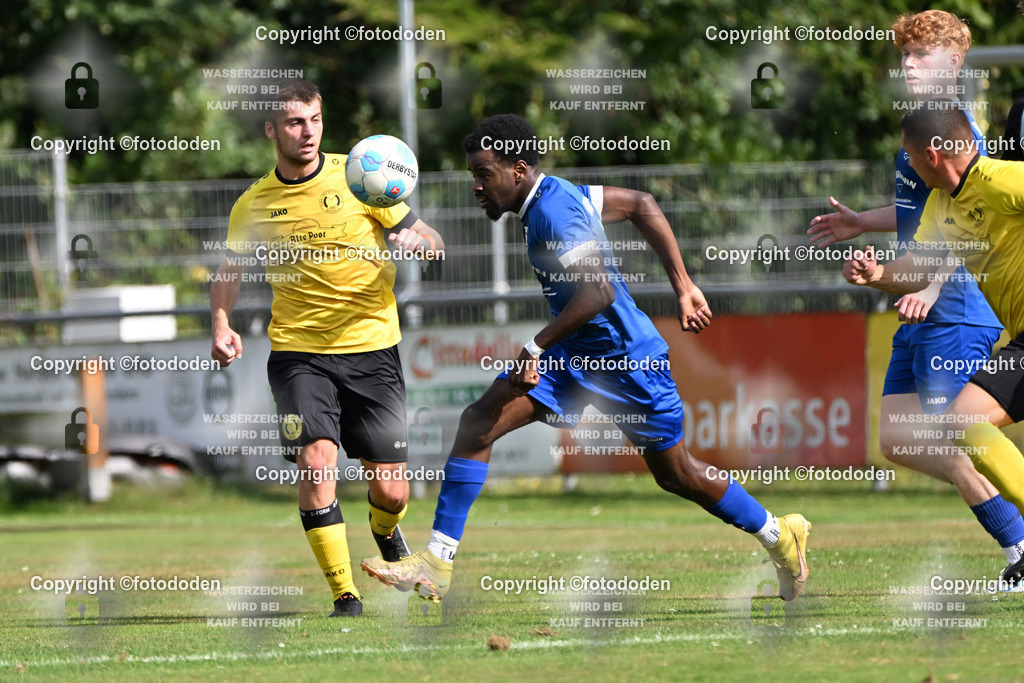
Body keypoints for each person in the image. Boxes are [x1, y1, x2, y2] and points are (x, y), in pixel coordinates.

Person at [362, 114, 811, 603]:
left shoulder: (555, 212)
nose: (476, 186)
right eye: (473, 174)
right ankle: (437, 562)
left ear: (517, 169)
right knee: (479, 420)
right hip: (576, 357)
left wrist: (535, 346)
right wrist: (683, 286)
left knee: (676, 474)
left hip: (627, 362)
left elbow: (595, 292)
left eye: (483, 174)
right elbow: (642, 203)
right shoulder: (560, 194)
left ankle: (778, 533)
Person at [209, 79, 445, 617]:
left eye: (314, 119)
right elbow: (229, 270)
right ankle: (345, 596)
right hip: (298, 355)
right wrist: (221, 322)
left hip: (372, 349)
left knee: (392, 493)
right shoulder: (254, 203)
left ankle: (387, 534)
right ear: (271, 130)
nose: (308, 132)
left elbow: (432, 239)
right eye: (295, 122)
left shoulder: (364, 174)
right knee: (316, 465)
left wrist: (417, 242)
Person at [807, 10, 1024, 573]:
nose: (906, 65)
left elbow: (970, 216)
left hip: (954, 310)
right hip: (918, 301)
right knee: (902, 437)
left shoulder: (962, 136)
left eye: (919, 55)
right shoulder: (919, 134)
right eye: (903, 56)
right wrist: (865, 229)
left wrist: (929, 284)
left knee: (956, 432)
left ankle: (1019, 547)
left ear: (953, 62)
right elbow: (926, 215)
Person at [843, 102, 1024, 582]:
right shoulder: (943, 207)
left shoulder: (1004, 180)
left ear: (932, 154)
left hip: (980, 329)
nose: (906, 165)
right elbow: (916, 271)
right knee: (963, 420)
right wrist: (876, 274)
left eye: (908, 155)